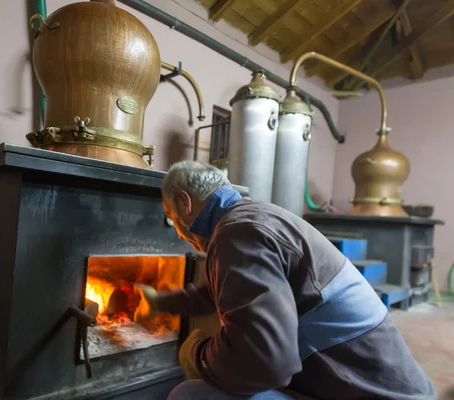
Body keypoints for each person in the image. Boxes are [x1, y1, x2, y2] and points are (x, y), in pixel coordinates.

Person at [133, 161, 436, 400]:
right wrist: (161, 301)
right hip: (366, 384)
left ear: (186, 203)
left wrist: (198, 356)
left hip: (370, 392)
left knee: (189, 395)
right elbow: (223, 289)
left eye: (172, 217)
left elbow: (266, 364)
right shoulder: (252, 219)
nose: (178, 232)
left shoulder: (236, 235)